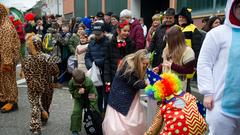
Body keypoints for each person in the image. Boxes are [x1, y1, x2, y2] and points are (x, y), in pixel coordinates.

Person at [197, 0, 240, 134]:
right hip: (222, 107)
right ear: (231, 7)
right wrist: (207, 92)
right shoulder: (217, 34)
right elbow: (204, 63)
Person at [102, 49, 149, 135]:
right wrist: (147, 83)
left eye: (147, 64)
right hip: (120, 98)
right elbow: (136, 84)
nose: (145, 66)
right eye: (144, 64)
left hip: (130, 96)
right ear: (139, 60)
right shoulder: (128, 69)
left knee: (134, 120)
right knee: (120, 124)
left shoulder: (134, 65)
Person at [22, 36, 59, 134]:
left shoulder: (26, 59)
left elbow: (25, 73)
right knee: (45, 103)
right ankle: (38, 122)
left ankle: (36, 124)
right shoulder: (47, 57)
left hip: (32, 85)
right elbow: (55, 71)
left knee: (35, 104)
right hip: (46, 85)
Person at [153, 26, 195, 91]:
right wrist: (159, 68)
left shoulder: (188, 51)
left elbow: (190, 70)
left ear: (175, 40)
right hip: (165, 84)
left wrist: (173, 66)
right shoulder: (167, 48)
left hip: (178, 87)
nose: (167, 42)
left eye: (168, 40)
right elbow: (166, 62)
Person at [176, 7, 205, 93]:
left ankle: (188, 103)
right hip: (178, 60)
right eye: (179, 17)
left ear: (187, 18)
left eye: (183, 17)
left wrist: (195, 64)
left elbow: (197, 48)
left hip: (189, 59)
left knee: (186, 84)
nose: (180, 19)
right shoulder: (178, 28)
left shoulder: (193, 29)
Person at [0, 3, 21, 113]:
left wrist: (7, 63)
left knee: (9, 80)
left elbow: (6, 46)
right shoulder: (2, 23)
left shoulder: (5, 27)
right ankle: (4, 99)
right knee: (3, 80)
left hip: (7, 59)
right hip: (3, 58)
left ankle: (12, 101)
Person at [104, 20, 135, 92]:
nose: (127, 33)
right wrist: (107, 79)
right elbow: (107, 61)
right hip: (113, 75)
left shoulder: (131, 43)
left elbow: (132, 60)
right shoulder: (110, 43)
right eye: (124, 30)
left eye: (128, 31)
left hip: (126, 75)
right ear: (118, 31)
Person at [85, 22, 109, 113]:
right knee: (95, 94)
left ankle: (105, 115)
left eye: (99, 34)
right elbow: (87, 56)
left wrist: (99, 63)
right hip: (94, 73)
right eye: (95, 34)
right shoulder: (91, 43)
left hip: (105, 73)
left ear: (103, 32)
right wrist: (91, 66)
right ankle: (96, 114)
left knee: (106, 96)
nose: (97, 36)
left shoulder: (108, 43)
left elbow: (109, 58)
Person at [69, 69, 99, 135]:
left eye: (81, 83)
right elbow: (72, 93)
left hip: (89, 99)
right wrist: (78, 92)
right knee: (76, 112)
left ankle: (96, 125)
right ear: (73, 79)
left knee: (94, 111)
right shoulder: (71, 83)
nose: (80, 85)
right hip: (79, 99)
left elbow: (93, 94)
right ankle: (75, 130)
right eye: (78, 84)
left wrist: (92, 106)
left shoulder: (89, 81)